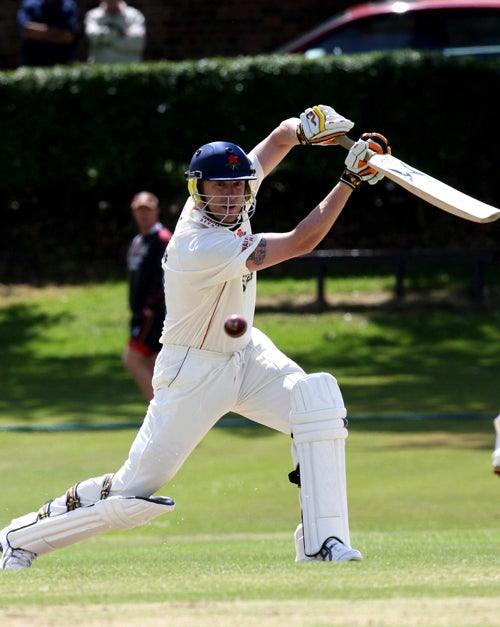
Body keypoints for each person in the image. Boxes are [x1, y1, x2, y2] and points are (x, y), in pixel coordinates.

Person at [0, 104, 390, 569]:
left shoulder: (239, 190)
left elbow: (278, 140)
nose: (229, 196)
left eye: (237, 185)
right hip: (193, 370)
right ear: (197, 189)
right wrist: (348, 180)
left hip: (247, 353)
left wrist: (307, 127)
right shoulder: (198, 243)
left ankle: (322, 543)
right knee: (133, 491)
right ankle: (20, 537)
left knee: (318, 411)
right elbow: (302, 241)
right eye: (217, 187)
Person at [123, 191, 172, 402]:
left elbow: (168, 276)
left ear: (156, 211)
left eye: (148, 210)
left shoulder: (162, 240)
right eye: (139, 210)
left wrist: (151, 305)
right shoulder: (137, 241)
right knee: (155, 363)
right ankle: (167, 414)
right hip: (139, 312)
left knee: (131, 359)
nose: (144, 215)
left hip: (154, 313)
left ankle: (158, 411)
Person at [17, 0, 79, 67]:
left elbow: (68, 37)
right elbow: (27, 31)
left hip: (61, 65)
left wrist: (38, 33)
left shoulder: (68, 6)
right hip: (33, 64)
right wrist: (57, 34)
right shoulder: (30, 5)